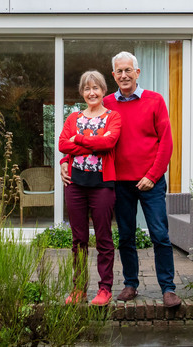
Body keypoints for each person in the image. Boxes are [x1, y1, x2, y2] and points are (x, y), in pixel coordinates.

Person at [61, 51, 179, 308]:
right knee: (126, 236)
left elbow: (166, 143)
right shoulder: (107, 105)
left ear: (137, 72)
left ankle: (168, 288)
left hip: (151, 181)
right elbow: (80, 140)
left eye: (128, 70)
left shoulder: (155, 100)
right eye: (119, 71)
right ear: (113, 76)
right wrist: (63, 162)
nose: (124, 75)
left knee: (159, 234)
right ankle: (130, 284)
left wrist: (152, 175)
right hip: (118, 182)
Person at [58, 70, 122, 306]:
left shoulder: (113, 117)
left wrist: (80, 141)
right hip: (75, 185)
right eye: (87, 88)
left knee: (104, 238)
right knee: (79, 240)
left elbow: (109, 142)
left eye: (96, 88)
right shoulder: (73, 118)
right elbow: (62, 145)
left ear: (104, 90)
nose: (91, 92)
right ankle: (79, 288)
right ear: (82, 93)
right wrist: (93, 145)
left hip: (102, 186)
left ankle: (105, 289)